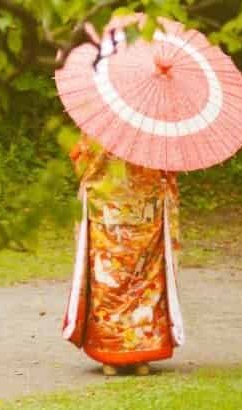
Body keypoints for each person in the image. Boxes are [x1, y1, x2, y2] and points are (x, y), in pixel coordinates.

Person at [62, 133, 183, 376]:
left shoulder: (101, 129)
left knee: (109, 280)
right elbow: (169, 172)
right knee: (144, 282)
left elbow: (80, 163)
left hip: (108, 215)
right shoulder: (156, 132)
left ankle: (110, 354)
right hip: (146, 216)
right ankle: (142, 356)